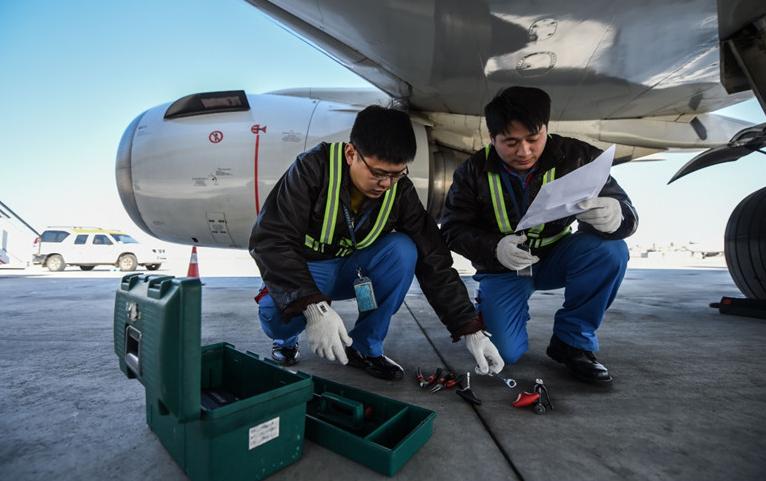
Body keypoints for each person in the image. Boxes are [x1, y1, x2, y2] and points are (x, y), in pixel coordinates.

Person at [249, 105, 503, 380]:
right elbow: (271, 239)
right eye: (378, 173)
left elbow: (434, 259)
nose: (386, 183)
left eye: (396, 174)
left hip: (353, 268)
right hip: (308, 267)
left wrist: (469, 328)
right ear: (351, 153)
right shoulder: (312, 169)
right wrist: (312, 306)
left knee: (404, 249)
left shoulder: (400, 192)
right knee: (279, 321)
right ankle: (285, 341)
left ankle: (365, 347)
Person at [440, 86, 638, 385]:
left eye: (533, 139)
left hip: (556, 257)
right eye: (510, 142)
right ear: (492, 139)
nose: (525, 151)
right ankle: (491, 309)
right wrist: (496, 248)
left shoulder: (579, 157)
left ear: (545, 130)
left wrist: (618, 214)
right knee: (506, 354)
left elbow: (628, 213)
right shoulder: (471, 172)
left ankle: (572, 342)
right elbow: (453, 230)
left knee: (610, 251)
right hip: (503, 268)